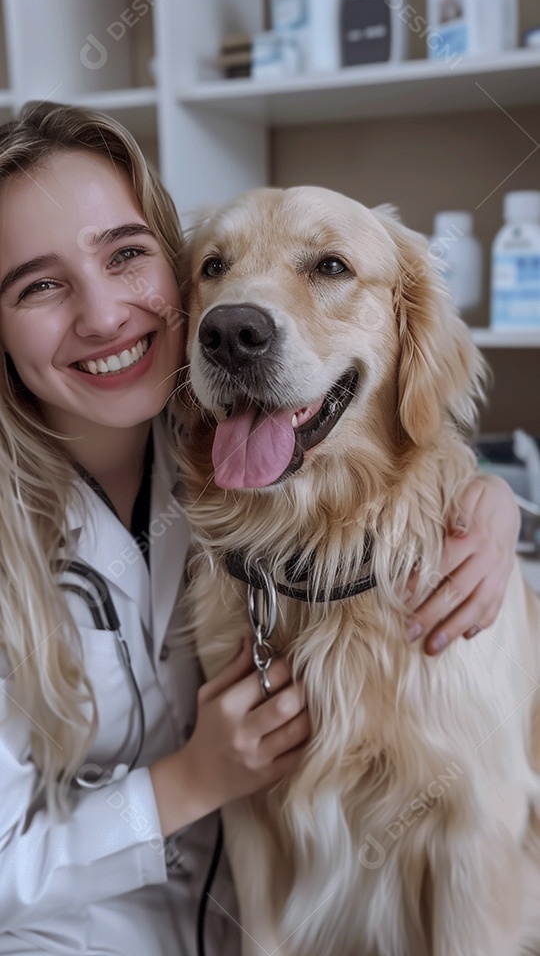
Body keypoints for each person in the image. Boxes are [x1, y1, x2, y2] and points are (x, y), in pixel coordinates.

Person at [0, 101, 520, 956]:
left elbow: (427, 444)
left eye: (127, 255)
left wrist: (496, 503)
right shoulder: (215, 487)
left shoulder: (202, 449)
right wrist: (187, 782)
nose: (102, 317)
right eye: (39, 284)